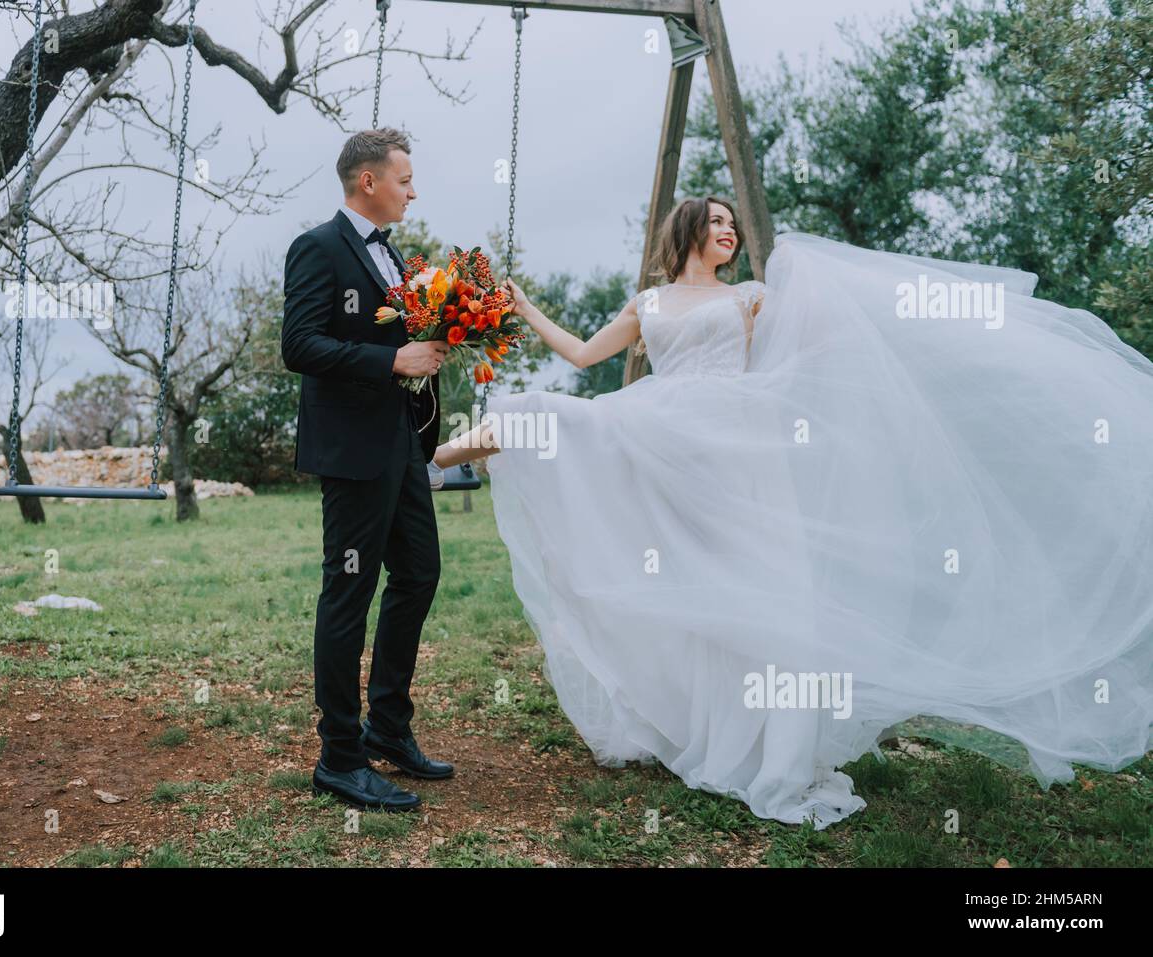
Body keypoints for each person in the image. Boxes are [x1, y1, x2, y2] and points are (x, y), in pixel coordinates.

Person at [432, 195, 1153, 828]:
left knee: (752, 590)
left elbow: (802, 352)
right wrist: (523, 307)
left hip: (738, 445)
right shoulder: (647, 305)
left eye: (733, 225)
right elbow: (584, 356)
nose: (729, 233)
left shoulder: (751, 296)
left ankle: (756, 742)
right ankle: (436, 458)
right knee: (554, 413)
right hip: (664, 428)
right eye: (716, 223)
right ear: (687, 229)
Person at [281, 128, 453, 812]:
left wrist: (434, 340)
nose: (415, 190)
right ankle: (339, 757)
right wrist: (391, 360)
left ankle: (388, 726)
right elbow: (299, 343)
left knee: (419, 572)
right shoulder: (317, 247)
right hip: (351, 451)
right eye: (406, 179)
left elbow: (393, 336)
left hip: (401, 444)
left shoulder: (397, 256)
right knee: (347, 595)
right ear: (368, 182)